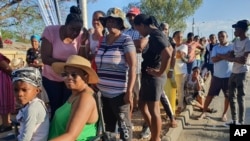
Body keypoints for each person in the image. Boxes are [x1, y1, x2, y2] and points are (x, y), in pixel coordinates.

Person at [96, 7, 136, 141]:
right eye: (109, 20)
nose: (111, 23)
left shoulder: (126, 40)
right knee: (108, 129)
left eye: (115, 21)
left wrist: (129, 92)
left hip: (119, 94)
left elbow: (133, 66)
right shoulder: (102, 40)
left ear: (121, 24)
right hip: (103, 94)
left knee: (124, 129)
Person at [41, 6, 88, 118]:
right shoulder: (50, 31)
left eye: (78, 30)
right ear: (65, 24)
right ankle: (54, 132)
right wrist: (68, 64)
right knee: (55, 107)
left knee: (67, 107)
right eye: (72, 29)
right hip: (51, 78)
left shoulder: (80, 36)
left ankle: (65, 131)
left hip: (70, 79)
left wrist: (83, 42)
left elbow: (81, 60)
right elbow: (45, 58)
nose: (75, 33)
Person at [134, 14, 173, 141]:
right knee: (141, 105)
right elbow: (171, 49)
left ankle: (155, 138)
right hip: (149, 75)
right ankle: (154, 132)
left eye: (138, 29)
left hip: (153, 77)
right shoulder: (157, 34)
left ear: (142, 25)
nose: (139, 32)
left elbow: (168, 54)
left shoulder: (156, 35)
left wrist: (160, 71)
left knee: (154, 110)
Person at [49, 55, 99, 140]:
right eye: (65, 74)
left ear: (85, 76)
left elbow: (71, 136)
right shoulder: (75, 94)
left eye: (74, 75)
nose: (69, 78)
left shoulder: (85, 98)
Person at [199, 31, 233, 121]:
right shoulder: (215, 47)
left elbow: (232, 58)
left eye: (223, 36)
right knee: (210, 95)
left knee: (228, 96)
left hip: (228, 77)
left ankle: (224, 114)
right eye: (219, 36)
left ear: (227, 36)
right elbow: (213, 59)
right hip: (216, 76)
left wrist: (220, 56)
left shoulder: (232, 46)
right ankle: (204, 112)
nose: (221, 38)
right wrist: (226, 56)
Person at [12, 67, 50, 141]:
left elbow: (26, 137)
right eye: (16, 90)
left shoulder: (32, 109)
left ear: (37, 90)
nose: (19, 94)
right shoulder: (31, 104)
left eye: (24, 90)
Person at [225, 20, 250, 125]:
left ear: (242, 29)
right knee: (231, 96)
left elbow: (244, 60)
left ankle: (241, 122)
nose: (234, 30)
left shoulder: (248, 41)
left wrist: (232, 58)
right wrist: (235, 58)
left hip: (242, 72)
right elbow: (230, 56)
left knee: (240, 97)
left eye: (236, 29)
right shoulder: (236, 41)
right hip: (234, 71)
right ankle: (234, 120)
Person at [27, 34, 50, 105]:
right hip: (32, 73)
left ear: (38, 42)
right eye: (32, 41)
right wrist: (31, 64)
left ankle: (44, 104)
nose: (34, 43)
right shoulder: (29, 51)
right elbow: (28, 61)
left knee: (42, 90)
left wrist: (38, 64)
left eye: (35, 41)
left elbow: (46, 61)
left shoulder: (43, 50)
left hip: (42, 73)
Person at [172, 31, 188, 114]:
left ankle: (180, 106)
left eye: (181, 37)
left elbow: (180, 54)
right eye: (178, 37)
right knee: (173, 89)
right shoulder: (172, 46)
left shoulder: (184, 46)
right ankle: (174, 104)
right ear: (174, 37)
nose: (180, 38)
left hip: (181, 71)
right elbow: (177, 54)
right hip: (172, 70)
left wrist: (172, 54)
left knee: (180, 89)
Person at [0, 53, 15, 133]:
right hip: (2, 79)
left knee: (3, 100)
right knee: (3, 100)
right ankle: (6, 123)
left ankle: (6, 124)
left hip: (3, 80)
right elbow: (7, 68)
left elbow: (7, 68)